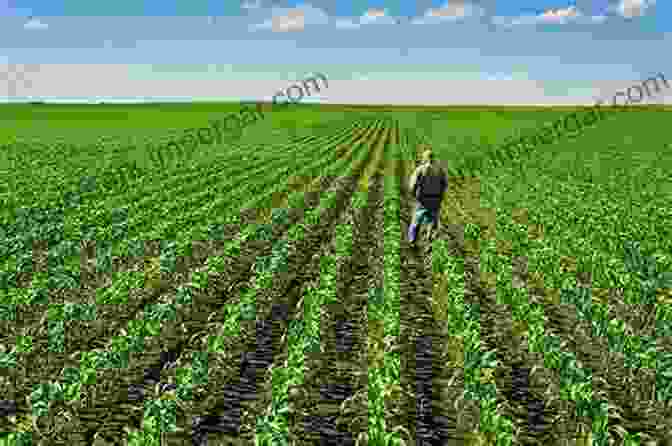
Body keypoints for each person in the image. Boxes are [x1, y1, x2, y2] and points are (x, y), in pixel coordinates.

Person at [408, 147, 448, 249]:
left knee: (416, 221)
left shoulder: (420, 169)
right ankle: (429, 242)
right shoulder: (440, 170)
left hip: (422, 200)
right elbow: (444, 184)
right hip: (435, 200)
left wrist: (413, 195)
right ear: (433, 158)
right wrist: (440, 196)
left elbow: (412, 185)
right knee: (431, 222)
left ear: (424, 158)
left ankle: (412, 241)